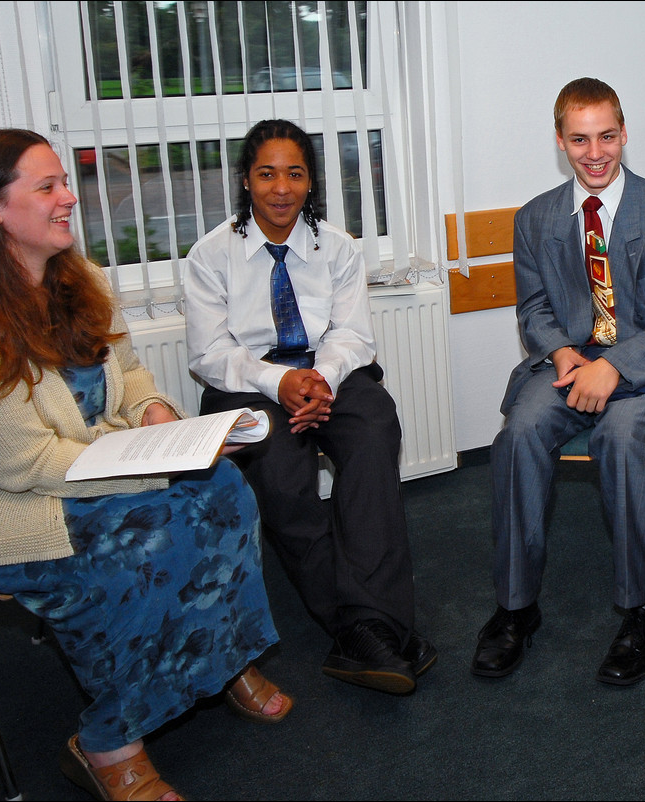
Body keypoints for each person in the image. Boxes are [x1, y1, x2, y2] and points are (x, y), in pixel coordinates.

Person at [0, 129, 290, 802]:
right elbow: (25, 463)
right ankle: (109, 742)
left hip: (78, 470)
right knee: (135, 542)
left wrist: (157, 417)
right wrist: (162, 466)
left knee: (224, 490)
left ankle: (224, 658)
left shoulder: (79, 280)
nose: (69, 198)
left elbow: (128, 375)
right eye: (46, 187)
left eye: (63, 183)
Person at [471, 77, 645, 685]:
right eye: (579, 139)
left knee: (623, 438)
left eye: (607, 136)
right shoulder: (535, 219)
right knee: (520, 433)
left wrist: (613, 367)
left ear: (625, 133)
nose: (596, 152)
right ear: (561, 142)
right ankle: (514, 607)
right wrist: (559, 354)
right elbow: (533, 310)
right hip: (570, 364)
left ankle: (644, 611)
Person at [184, 119, 434, 696]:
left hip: (330, 373)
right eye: (266, 174)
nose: (280, 188)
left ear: (311, 182)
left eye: (294, 174)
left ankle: (366, 625)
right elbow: (209, 353)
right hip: (249, 381)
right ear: (245, 180)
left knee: (373, 435)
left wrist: (318, 378)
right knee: (281, 472)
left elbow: (352, 335)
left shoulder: (339, 247)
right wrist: (281, 382)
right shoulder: (210, 255)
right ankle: (364, 626)